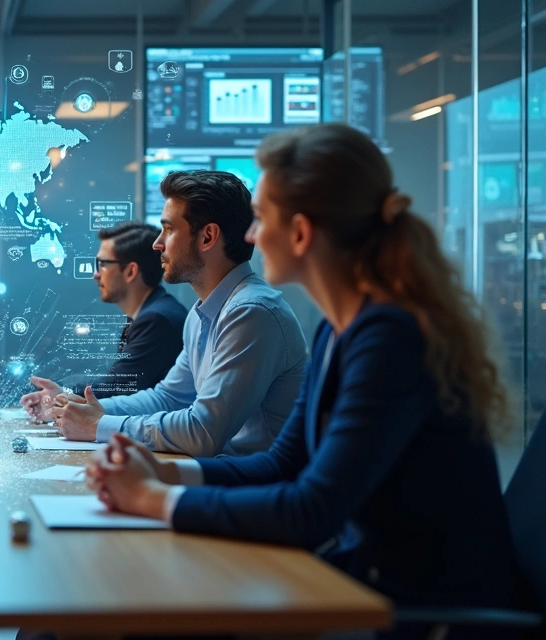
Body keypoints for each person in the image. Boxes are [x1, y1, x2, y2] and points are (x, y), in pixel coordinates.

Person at [88, 123, 523, 638]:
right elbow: (282, 464)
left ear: (301, 232)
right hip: (363, 586)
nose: (250, 235)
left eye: (262, 219)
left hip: (424, 615)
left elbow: (311, 509)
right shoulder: (342, 332)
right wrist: (166, 477)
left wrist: (153, 499)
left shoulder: (388, 338)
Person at [52, 170, 307, 457]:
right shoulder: (203, 314)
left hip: (258, 487)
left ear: (208, 237)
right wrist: (84, 410)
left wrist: (99, 425)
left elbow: (204, 431)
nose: (157, 243)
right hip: (224, 474)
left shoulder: (251, 312)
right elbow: (170, 397)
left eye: (169, 229)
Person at [21, 221, 186, 412]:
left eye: (103, 264)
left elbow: (121, 386)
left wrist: (62, 392)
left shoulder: (157, 319)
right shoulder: (151, 312)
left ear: (131, 271)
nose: (96, 275)